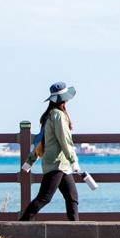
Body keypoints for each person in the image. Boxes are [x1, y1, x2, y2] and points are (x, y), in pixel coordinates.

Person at [20, 82, 80, 221]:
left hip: (59, 164)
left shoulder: (49, 115)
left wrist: (31, 160)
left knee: (72, 197)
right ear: (63, 99)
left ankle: (77, 230)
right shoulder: (58, 115)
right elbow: (64, 140)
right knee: (44, 198)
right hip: (57, 163)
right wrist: (74, 160)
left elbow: (41, 141)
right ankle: (20, 225)